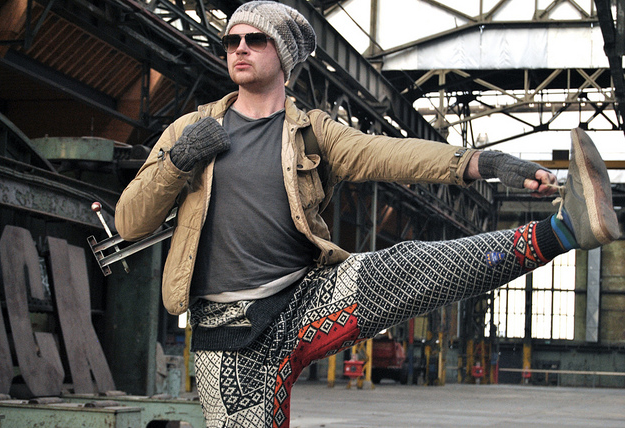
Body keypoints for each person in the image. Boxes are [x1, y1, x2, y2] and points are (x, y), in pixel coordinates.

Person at [115, 1, 621, 426]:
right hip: (225, 335)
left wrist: (481, 162)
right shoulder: (189, 131)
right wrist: (178, 161)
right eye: (231, 41)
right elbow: (129, 221)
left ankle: (564, 229)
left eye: (255, 39)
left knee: (411, 266)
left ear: (284, 55)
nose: (239, 48)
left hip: (304, 298)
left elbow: (388, 154)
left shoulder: (313, 132)